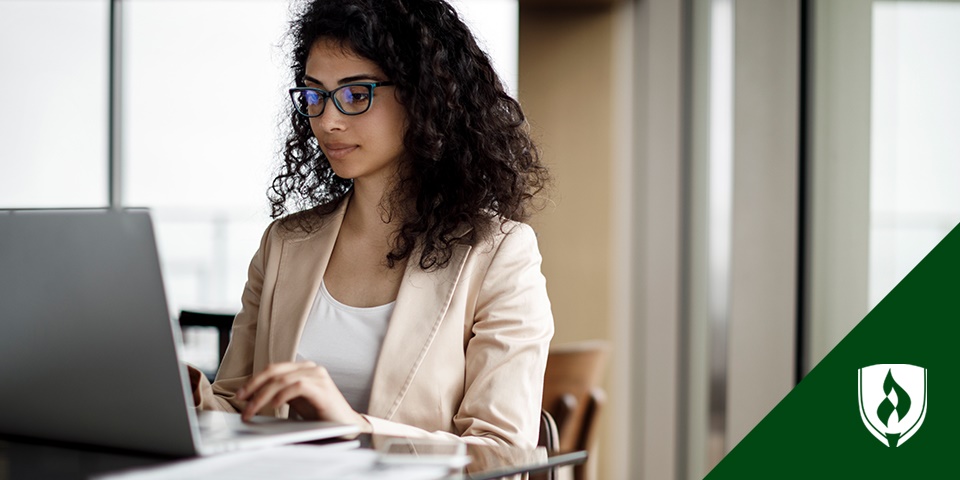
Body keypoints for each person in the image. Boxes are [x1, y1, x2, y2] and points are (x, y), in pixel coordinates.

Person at [191, 0, 553, 448]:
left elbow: (502, 454)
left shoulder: (499, 254)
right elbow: (233, 407)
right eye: (314, 95)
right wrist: (184, 389)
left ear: (425, 96)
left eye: (355, 94)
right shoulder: (283, 244)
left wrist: (354, 426)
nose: (328, 121)